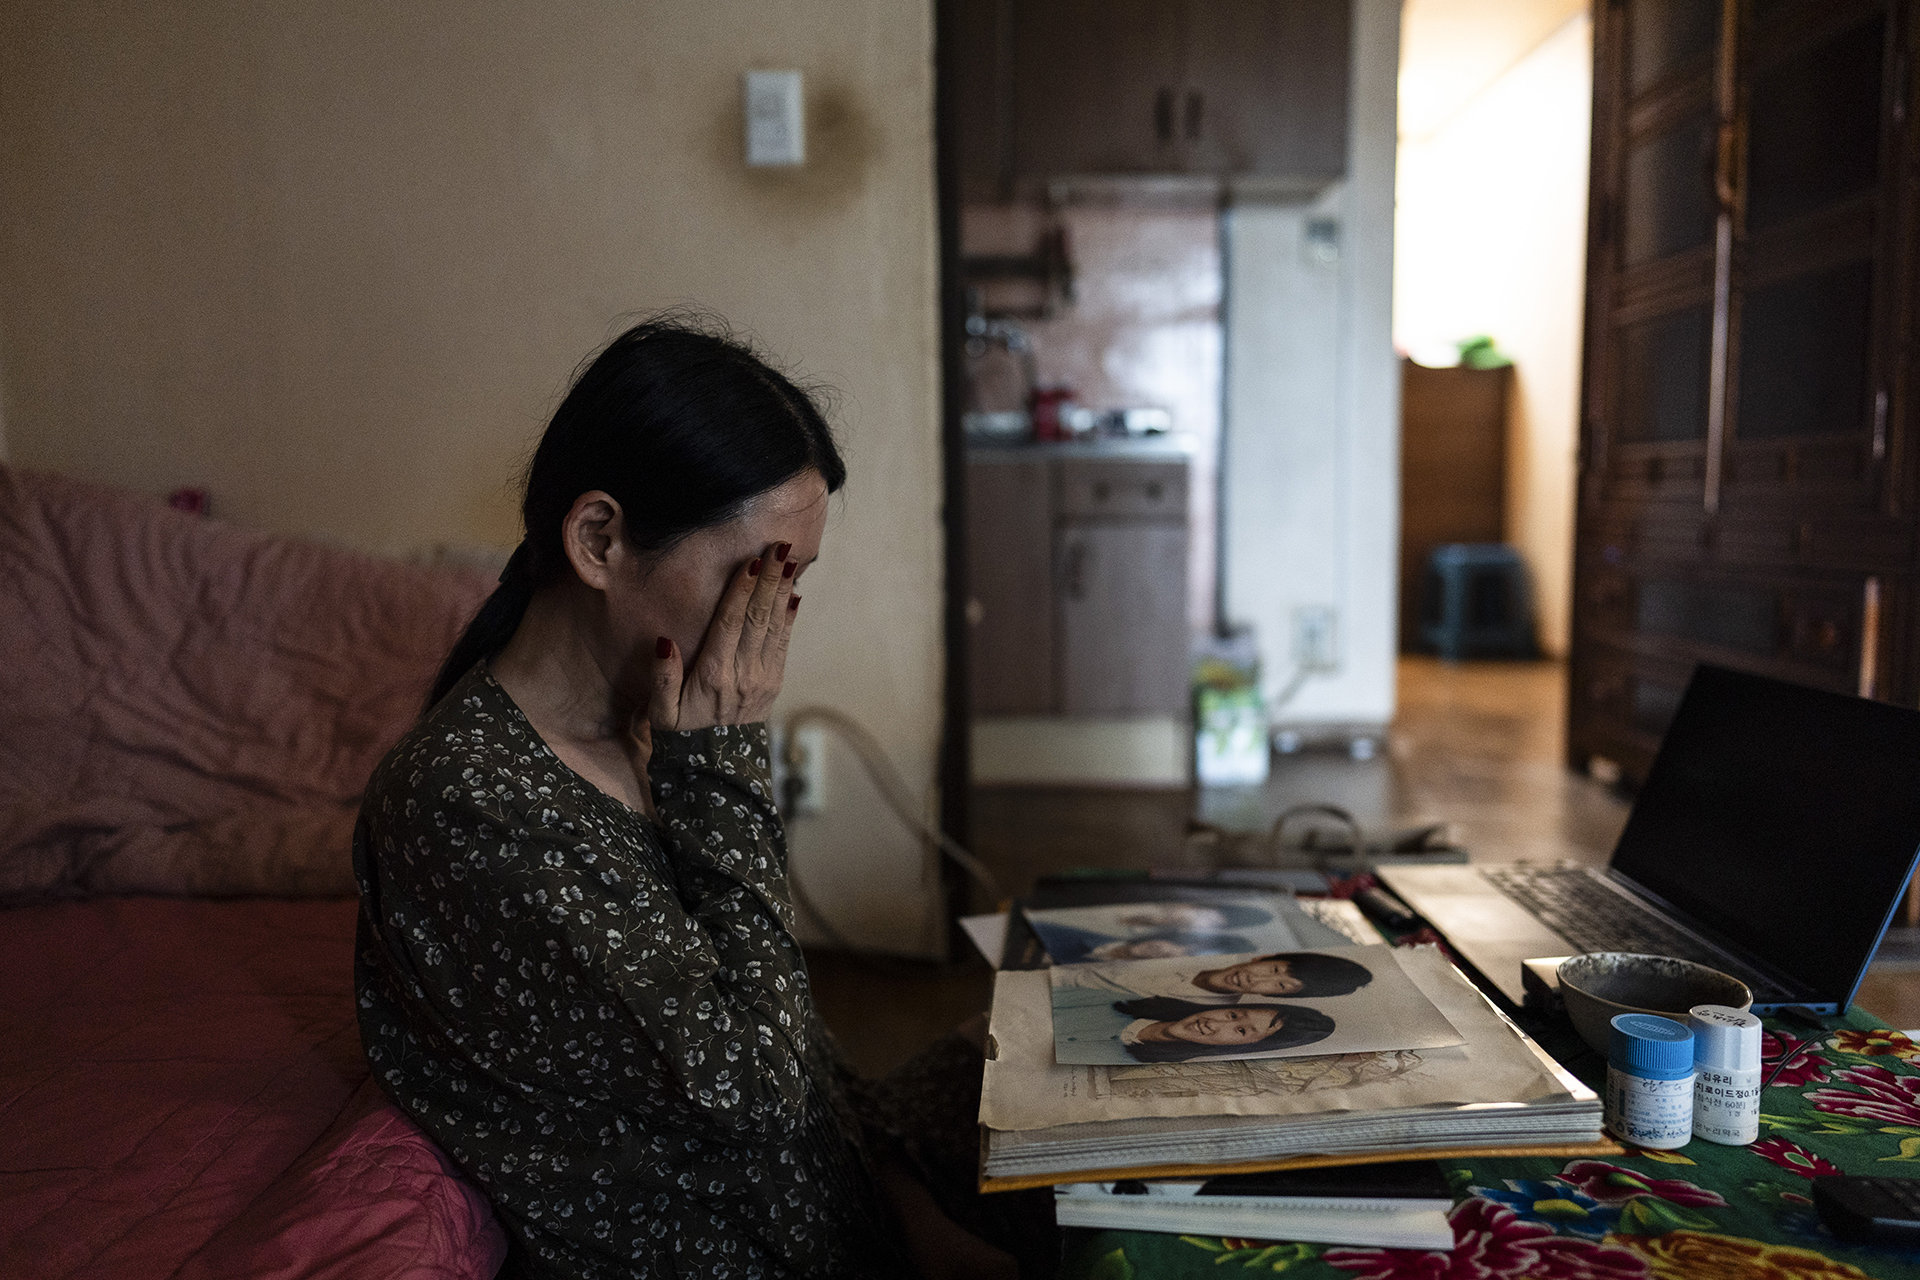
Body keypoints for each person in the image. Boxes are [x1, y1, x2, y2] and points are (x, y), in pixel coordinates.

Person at [353, 317, 1037, 1280]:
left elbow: (804, 1069)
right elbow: (759, 1091)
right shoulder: (466, 804)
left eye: (792, 581)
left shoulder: (651, 729)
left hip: (850, 1195)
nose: (768, 623)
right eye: (751, 575)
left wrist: (912, 1213)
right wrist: (722, 761)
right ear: (598, 540)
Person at [1052, 949, 1375, 1001]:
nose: (1256, 981)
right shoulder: (1185, 949)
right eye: (1275, 970)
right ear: (1263, 957)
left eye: (1280, 985)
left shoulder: (1207, 1013)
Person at [1116, 998, 1336, 1064]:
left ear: (1246, 1046)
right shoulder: (1133, 1000)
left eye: (1241, 1031)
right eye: (1233, 1015)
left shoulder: (1157, 1063)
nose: (1212, 1024)